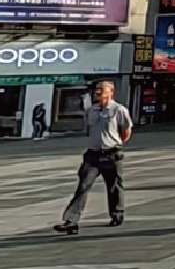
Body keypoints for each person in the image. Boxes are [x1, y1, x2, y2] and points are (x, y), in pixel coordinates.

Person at [53, 81, 132, 235]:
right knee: (83, 186)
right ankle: (71, 221)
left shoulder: (119, 110)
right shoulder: (91, 110)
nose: (97, 92)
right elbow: (90, 130)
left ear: (111, 92)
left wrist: (115, 144)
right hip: (93, 155)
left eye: (101, 89)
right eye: (96, 90)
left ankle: (117, 214)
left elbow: (126, 131)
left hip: (112, 154)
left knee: (114, 186)